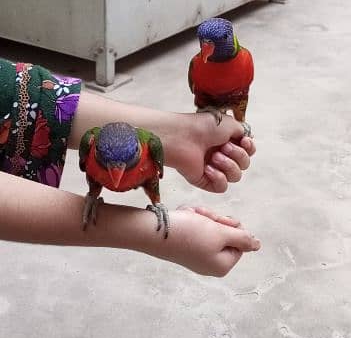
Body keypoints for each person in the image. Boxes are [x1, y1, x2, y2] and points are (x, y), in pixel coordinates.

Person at [0, 58, 260, 276]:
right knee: (96, 188)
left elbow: (14, 86)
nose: (116, 173)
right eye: (106, 160)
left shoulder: (152, 148)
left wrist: (185, 132)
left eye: (129, 159)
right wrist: (148, 232)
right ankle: (94, 195)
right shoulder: (91, 143)